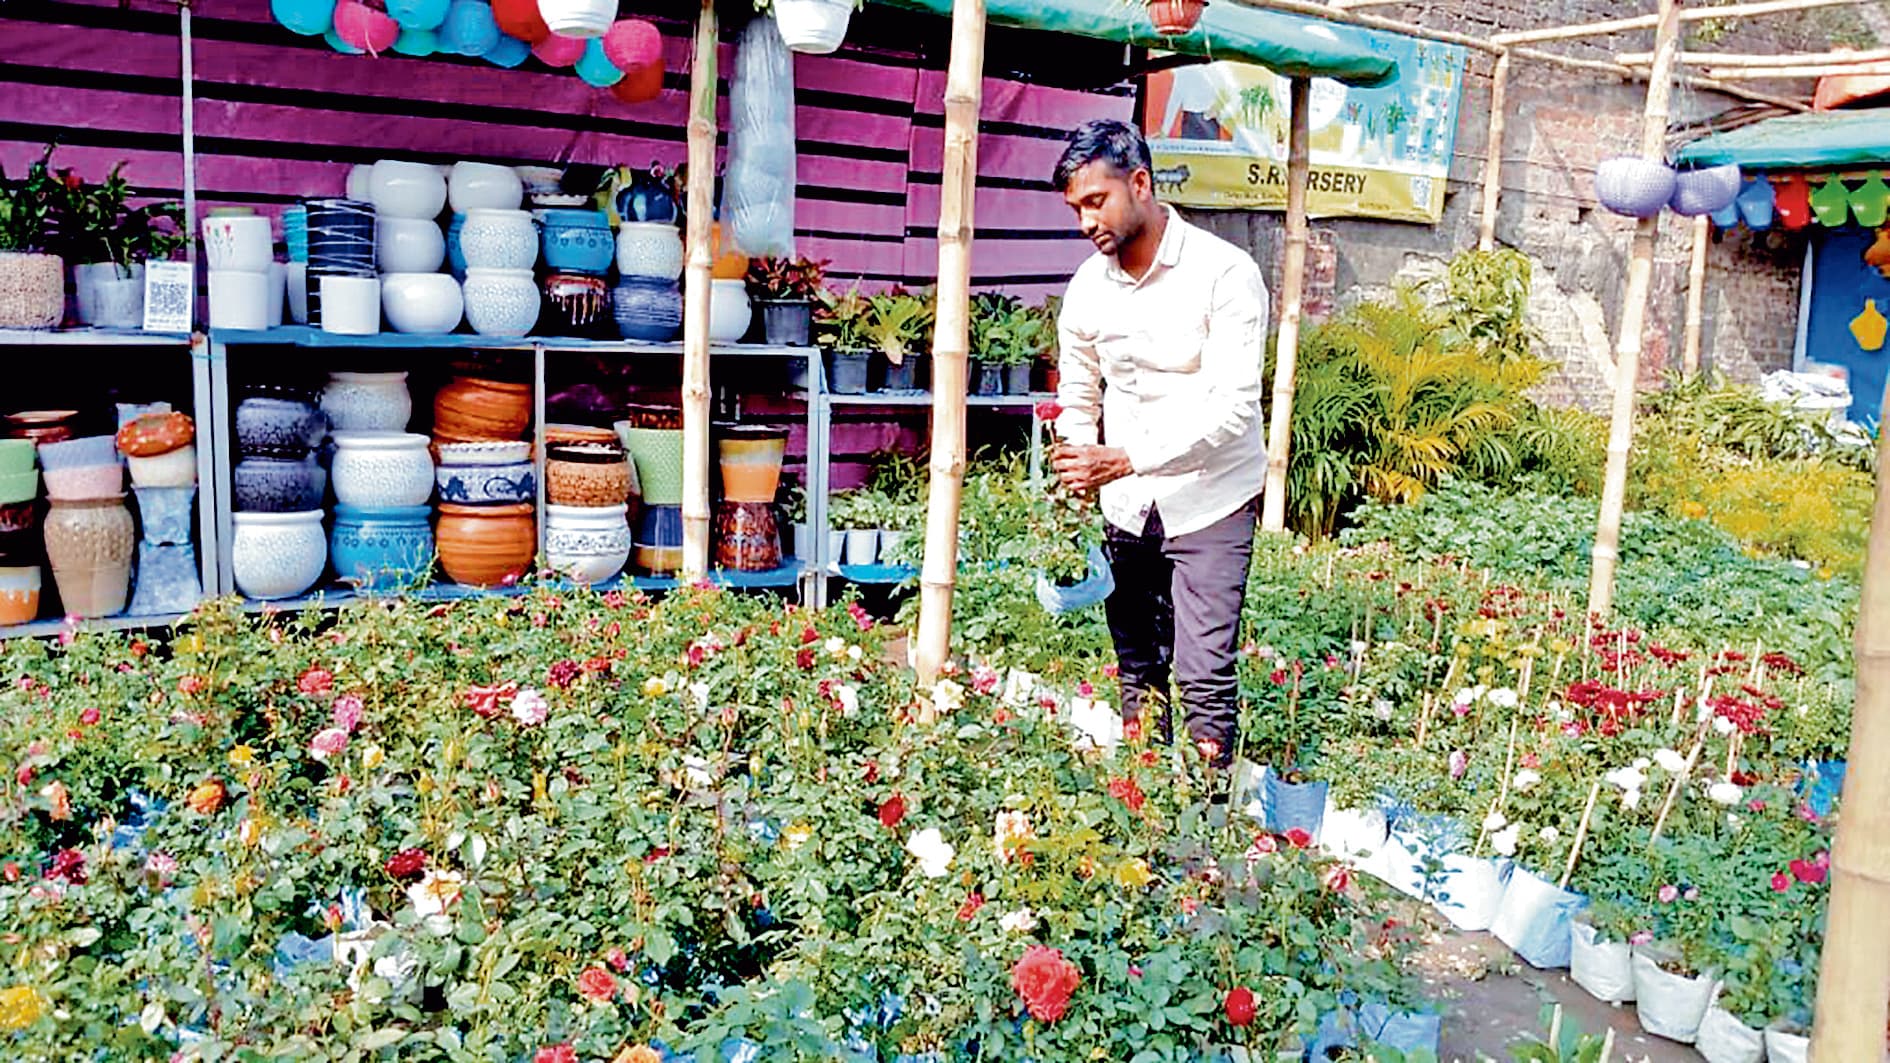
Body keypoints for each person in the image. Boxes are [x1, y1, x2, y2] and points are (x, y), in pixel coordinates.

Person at [1048, 118, 1269, 767]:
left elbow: (1232, 409)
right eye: (1076, 208)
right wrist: (1076, 461)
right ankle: (1145, 819)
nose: (1087, 221)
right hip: (1125, 506)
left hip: (1210, 501)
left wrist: (1120, 458)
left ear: (1140, 183)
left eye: (1096, 201)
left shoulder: (1225, 273)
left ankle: (1202, 835)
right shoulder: (1088, 286)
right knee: (1139, 668)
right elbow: (1080, 391)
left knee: (1203, 674)